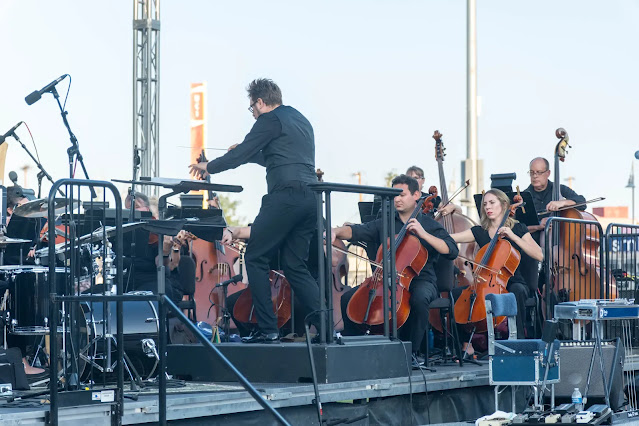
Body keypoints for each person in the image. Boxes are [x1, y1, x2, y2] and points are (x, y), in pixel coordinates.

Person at [189, 78, 319, 344]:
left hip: (285, 196)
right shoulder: (301, 120)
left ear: (260, 102)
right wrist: (245, 152)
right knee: (295, 265)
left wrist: (208, 167)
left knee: (256, 258)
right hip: (311, 199)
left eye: (252, 108)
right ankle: (326, 326)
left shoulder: (268, 120)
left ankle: (268, 330)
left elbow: (239, 156)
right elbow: (274, 157)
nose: (253, 113)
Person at [331, 175, 459, 367]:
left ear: (416, 195)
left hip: (421, 279)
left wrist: (423, 234)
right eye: (394, 195)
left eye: (402, 194)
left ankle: (412, 353)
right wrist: (335, 231)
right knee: (348, 298)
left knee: (419, 298)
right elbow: (357, 231)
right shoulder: (386, 222)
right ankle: (354, 350)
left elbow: (451, 250)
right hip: (387, 278)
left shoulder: (430, 224)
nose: (397, 199)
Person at [450, 189, 543, 355]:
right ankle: (466, 344)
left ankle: (518, 342)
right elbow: (452, 238)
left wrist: (514, 237)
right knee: (457, 295)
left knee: (518, 291)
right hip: (486, 283)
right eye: (485, 204)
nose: (488, 207)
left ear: (504, 205)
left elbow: (539, 255)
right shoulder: (479, 231)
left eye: (492, 203)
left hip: (513, 280)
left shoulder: (518, 228)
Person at [524, 157, 586, 244]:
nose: (535, 176)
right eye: (532, 172)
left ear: (548, 173)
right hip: (532, 246)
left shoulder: (559, 189)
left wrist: (563, 203)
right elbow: (520, 227)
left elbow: (582, 202)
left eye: (539, 172)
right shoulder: (524, 196)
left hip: (561, 243)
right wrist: (538, 226)